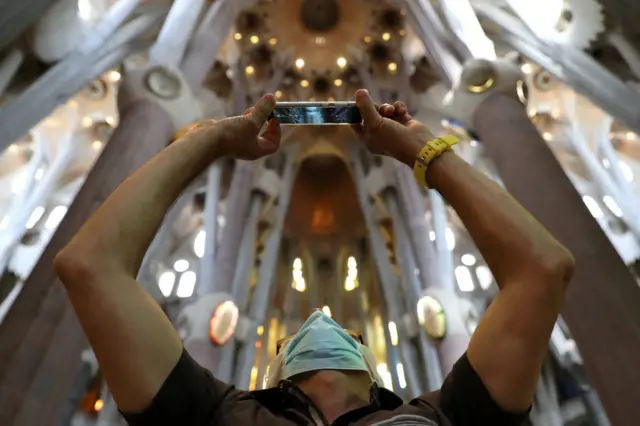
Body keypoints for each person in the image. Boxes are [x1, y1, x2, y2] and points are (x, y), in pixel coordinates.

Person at [55, 89, 575, 426]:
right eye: (307, 329)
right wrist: (212, 137)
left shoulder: (448, 415)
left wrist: (424, 151)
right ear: (273, 366)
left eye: (348, 334)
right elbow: (87, 267)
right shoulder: (209, 413)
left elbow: (546, 269)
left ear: (374, 368)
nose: (323, 316)